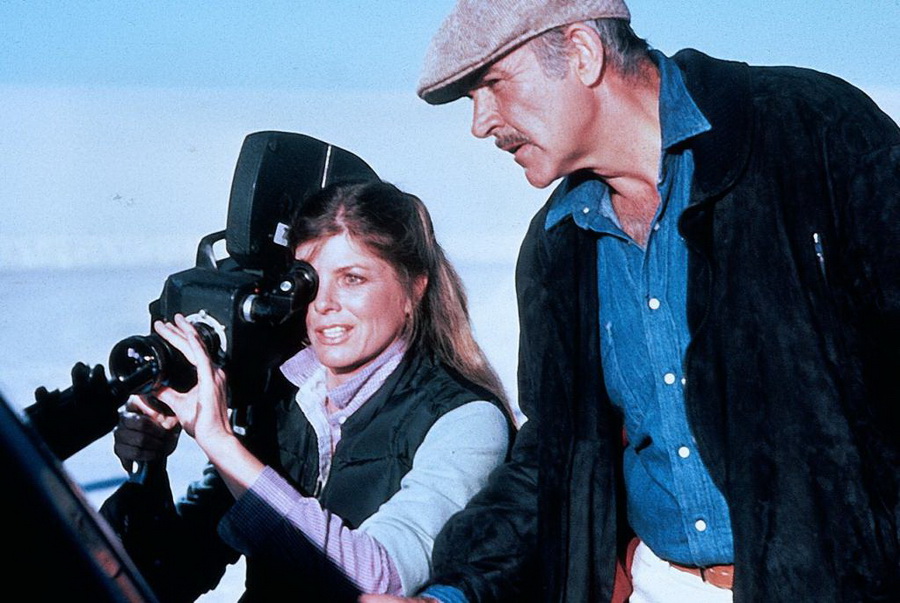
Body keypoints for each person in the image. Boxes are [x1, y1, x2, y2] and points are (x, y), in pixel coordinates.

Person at [362, 0, 900, 602]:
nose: (481, 123)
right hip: (664, 586)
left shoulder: (810, 128)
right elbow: (554, 458)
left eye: (492, 84)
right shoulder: (557, 247)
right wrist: (454, 592)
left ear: (582, 53)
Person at [99, 180, 514, 602]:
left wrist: (221, 443)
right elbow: (170, 576)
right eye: (308, 281)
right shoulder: (285, 406)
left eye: (352, 278)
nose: (324, 303)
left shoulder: (465, 420)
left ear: (414, 289)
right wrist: (149, 469)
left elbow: (378, 580)